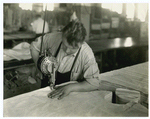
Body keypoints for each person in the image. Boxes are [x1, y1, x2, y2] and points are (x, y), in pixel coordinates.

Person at [30, 19, 100, 100]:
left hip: (67, 97)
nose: (66, 51)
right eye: (64, 45)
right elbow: (34, 47)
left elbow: (94, 83)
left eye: (72, 48)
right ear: (62, 35)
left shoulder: (86, 54)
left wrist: (70, 88)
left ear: (81, 44)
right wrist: (38, 68)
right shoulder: (55, 37)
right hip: (45, 91)